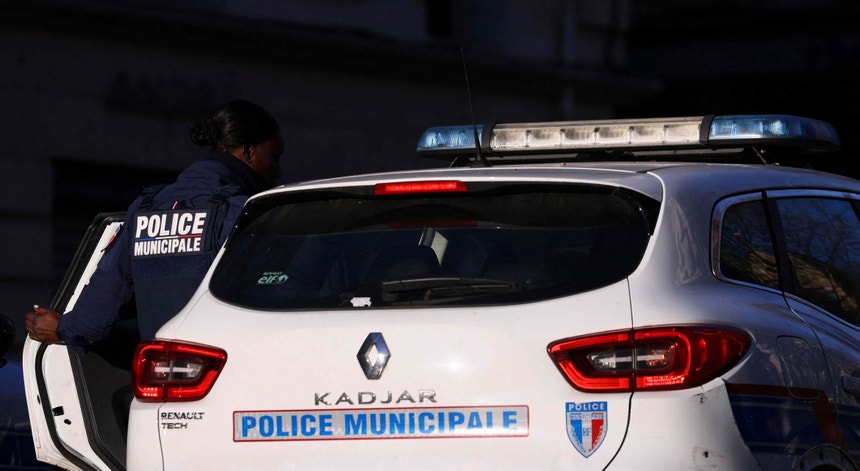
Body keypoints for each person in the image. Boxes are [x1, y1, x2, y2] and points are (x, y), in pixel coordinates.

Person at [26, 99, 283, 355]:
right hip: (228, 371)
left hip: (157, 381)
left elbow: (98, 314)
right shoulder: (243, 212)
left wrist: (62, 327)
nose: (277, 171)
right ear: (248, 152)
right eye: (274, 157)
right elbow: (276, 299)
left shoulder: (144, 209)